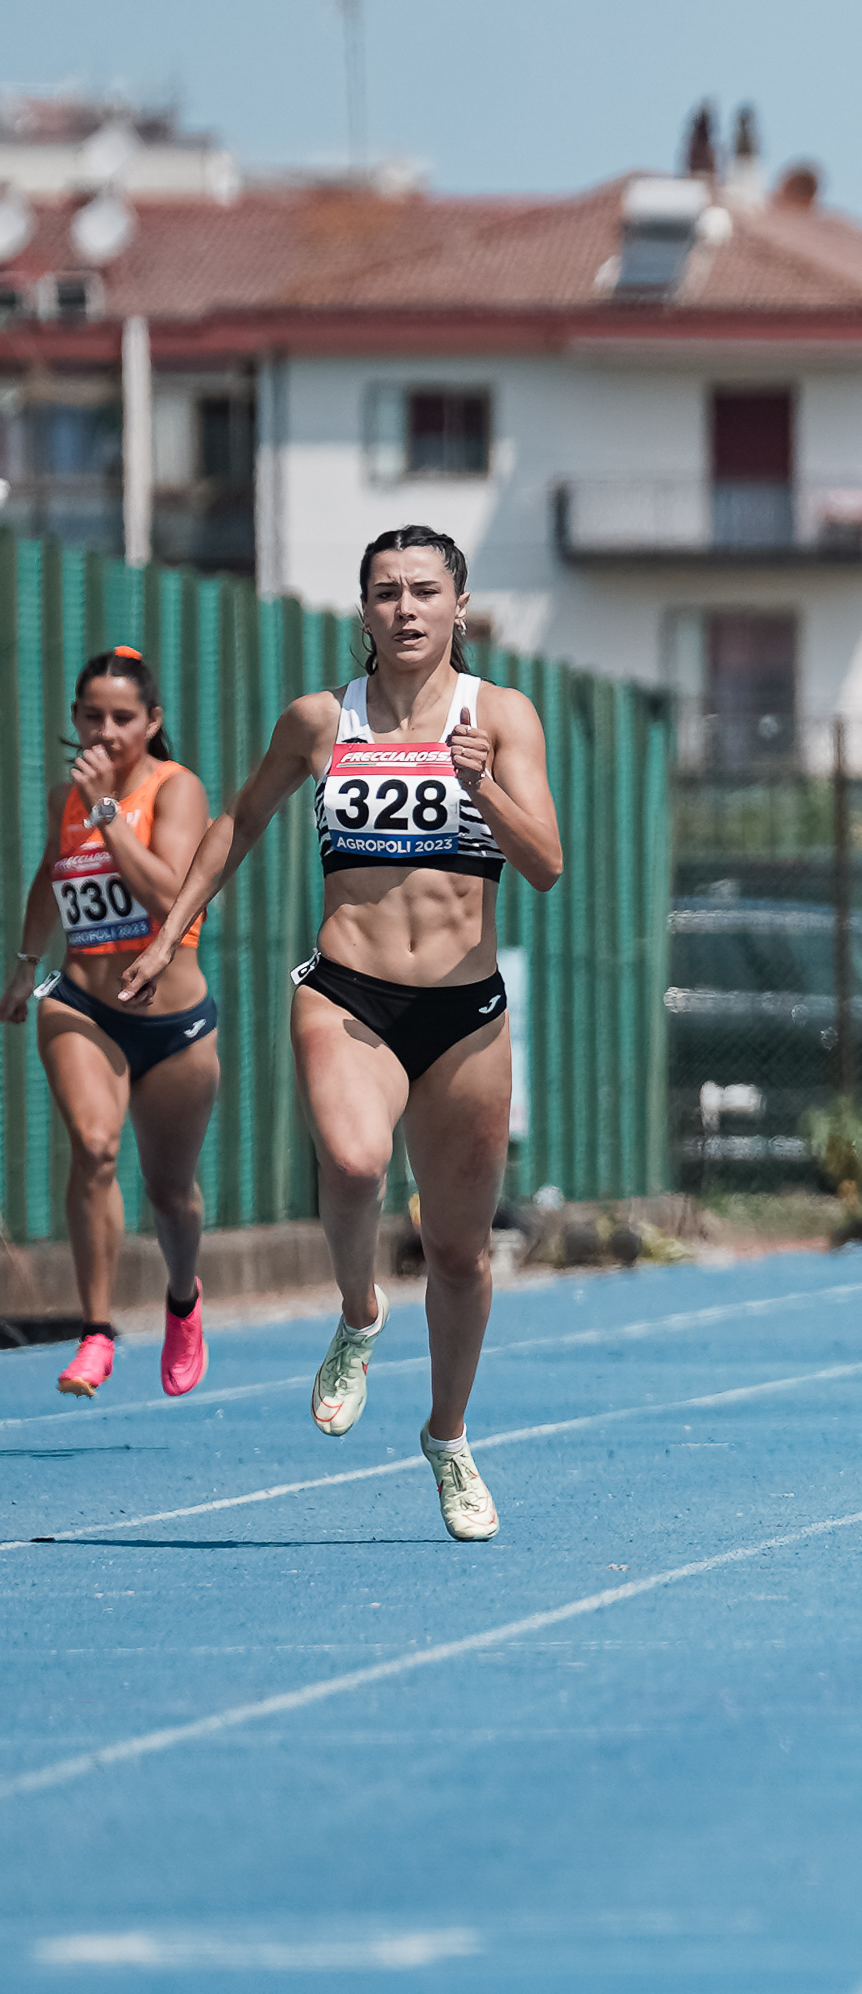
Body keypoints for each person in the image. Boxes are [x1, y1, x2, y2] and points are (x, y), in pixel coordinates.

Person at [124, 528, 563, 1541]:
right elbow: (238, 821)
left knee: (459, 1253)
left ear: (460, 605)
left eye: (425, 591)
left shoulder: (501, 715)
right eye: (386, 592)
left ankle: (447, 1437)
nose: (406, 609)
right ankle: (361, 1310)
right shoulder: (322, 720)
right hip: (347, 991)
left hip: (464, 1012)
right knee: (357, 1163)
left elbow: (545, 864)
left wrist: (484, 786)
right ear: (362, 611)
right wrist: (170, 931)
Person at [5, 648, 221, 1398]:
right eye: (91, 715)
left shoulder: (175, 788)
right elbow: (51, 875)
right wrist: (26, 964)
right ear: (73, 717)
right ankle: (96, 1330)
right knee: (95, 1147)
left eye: (122, 717)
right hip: (82, 1004)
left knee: (171, 1191)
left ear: (152, 722)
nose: (105, 731)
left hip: (173, 1025)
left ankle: (183, 1297)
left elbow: (170, 895)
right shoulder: (69, 797)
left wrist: (106, 813)